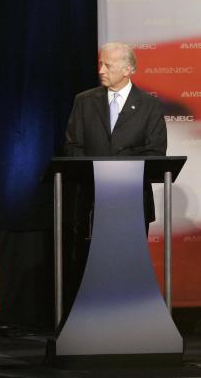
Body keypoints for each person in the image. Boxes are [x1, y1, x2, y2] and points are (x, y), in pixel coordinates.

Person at [61, 42, 167, 314]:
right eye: (100, 64)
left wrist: (118, 165)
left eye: (107, 65)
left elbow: (156, 151)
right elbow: (73, 146)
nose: (101, 70)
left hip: (132, 201)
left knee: (130, 267)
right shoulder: (84, 101)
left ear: (128, 69)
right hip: (92, 202)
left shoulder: (150, 105)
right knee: (91, 267)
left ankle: (131, 319)